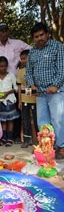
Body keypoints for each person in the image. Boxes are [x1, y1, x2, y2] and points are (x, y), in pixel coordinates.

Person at [0, 22, 31, 143]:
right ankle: (6, 137)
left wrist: (22, 60)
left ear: (8, 31)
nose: (4, 33)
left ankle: (16, 136)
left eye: (6, 30)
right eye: (1, 31)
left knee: (18, 108)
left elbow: (30, 48)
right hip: (2, 83)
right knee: (4, 113)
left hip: (16, 79)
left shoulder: (17, 43)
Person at [26, 22, 64, 159]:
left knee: (58, 119)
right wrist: (32, 85)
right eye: (36, 36)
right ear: (33, 38)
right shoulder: (32, 52)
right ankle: (46, 146)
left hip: (56, 91)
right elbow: (29, 72)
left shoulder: (57, 47)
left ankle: (61, 147)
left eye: (42, 35)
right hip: (40, 93)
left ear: (47, 34)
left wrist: (55, 85)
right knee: (42, 121)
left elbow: (62, 68)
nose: (39, 38)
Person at [0, 56, 20, 147]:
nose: (3, 68)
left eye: (5, 66)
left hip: (10, 100)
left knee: (10, 120)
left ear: (7, 66)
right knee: (3, 121)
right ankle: (3, 138)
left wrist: (7, 93)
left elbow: (16, 88)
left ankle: (9, 138)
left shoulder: (11, 76)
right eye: (1, 66)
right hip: (0, 102)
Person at [17, 50, 38, 148]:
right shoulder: (20, 71)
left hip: (35, 99)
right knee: (25, 120)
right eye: (21, 59)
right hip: (25, 100)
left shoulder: (36, 70)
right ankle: (26, 140)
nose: (22, 61)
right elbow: (20, 87)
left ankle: (38, 139)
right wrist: (20, 101)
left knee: (37, 119)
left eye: (24, 58)